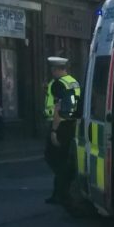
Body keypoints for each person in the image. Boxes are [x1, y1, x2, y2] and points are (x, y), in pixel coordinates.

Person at [43, 56, 81, 205]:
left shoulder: (58, 84)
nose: (52, 72)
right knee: (62, 159)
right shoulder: (73, 82)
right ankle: (58, 192)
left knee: (53, 158)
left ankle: (64, 190)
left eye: (53, 69)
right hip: (71, 125)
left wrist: (53, 131)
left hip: (60, 126)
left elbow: (58, 108)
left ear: (58, 69)